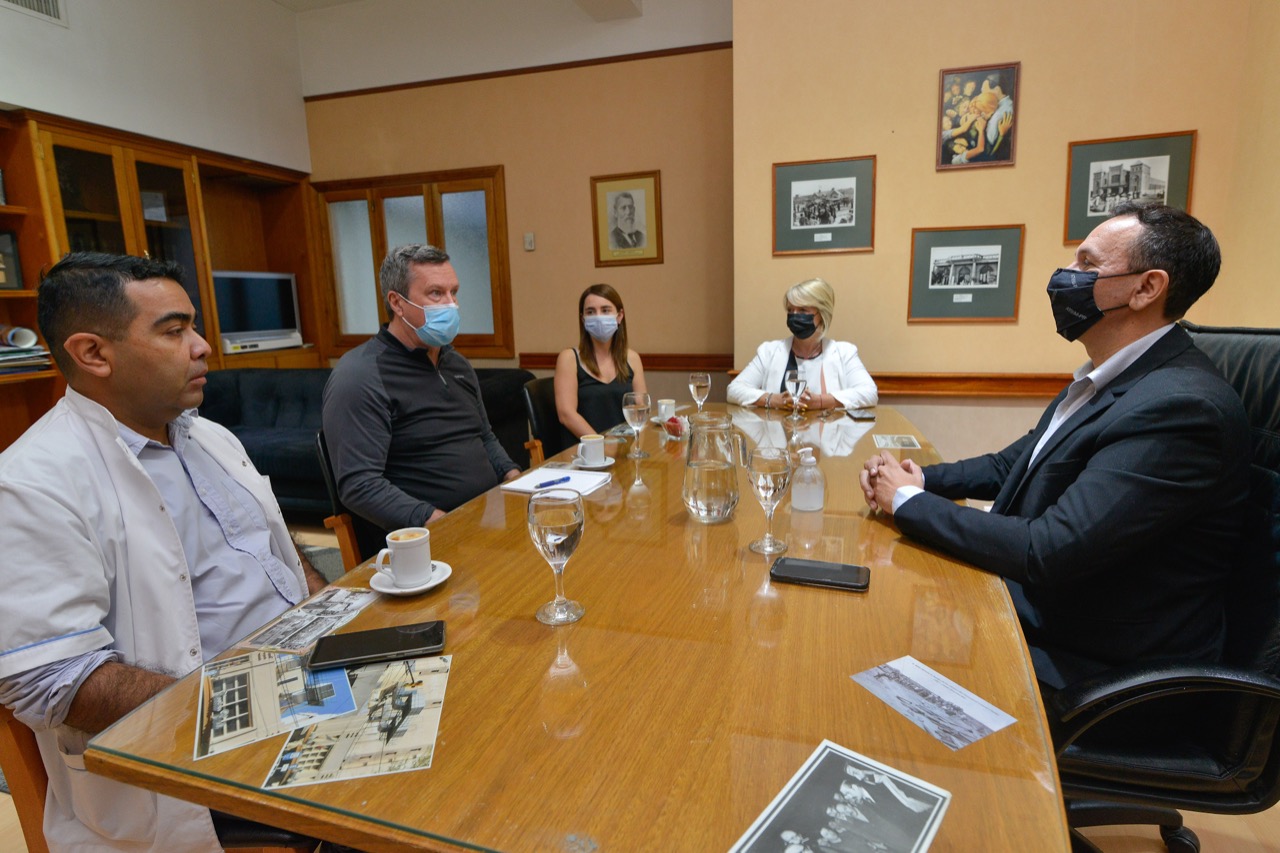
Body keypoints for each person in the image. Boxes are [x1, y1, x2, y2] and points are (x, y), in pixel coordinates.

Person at [0, 252, 328, 851]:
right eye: (174, 331)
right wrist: (262, 698)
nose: (203, 347)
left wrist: (333, 609)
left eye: (194, 327)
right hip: (207, 755)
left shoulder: (205, 434)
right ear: (93, 354)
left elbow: (268, 547)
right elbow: (51, 681)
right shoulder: (31, 484)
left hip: (307, 682)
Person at [860, 203, 1251, 689]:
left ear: (1146, 288)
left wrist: (905, 501)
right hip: (1046, 624)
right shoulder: (1114, 376)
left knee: (872, 663)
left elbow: (1049, 549)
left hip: (1107, 676)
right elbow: (1014, 465)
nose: (1066, 276)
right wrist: (923, 479)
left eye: (1087, 265)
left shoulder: (1182, 408)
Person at [323, 244, 521, 532]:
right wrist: (438, 521)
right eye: (436, 293)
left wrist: (513, 476)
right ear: (397, 303)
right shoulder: (360, 376)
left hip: (487, 522)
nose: (451, 304)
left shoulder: (457, 364)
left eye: (454, 292)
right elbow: (359, 484)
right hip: (429, 538)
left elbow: (484, 436)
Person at [727, 277, 878, 412]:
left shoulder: (844, 353)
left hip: (827, 441)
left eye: (803, 310)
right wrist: (774, 400)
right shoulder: (769, 351)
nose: (794, 316)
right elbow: (734, 390)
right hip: (779, 439)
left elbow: (869, 393)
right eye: (791, 310)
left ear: (822, 314)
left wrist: (819, 402)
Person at [554, 283, 647, 443]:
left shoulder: (632, 358)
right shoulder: (568, 358)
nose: (598, 316)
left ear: (619, 315)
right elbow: (566, 415)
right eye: (591, 312)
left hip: (624, 450)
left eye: (605, 310)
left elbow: (641, 409)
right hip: (584, 453)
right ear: (583, 319)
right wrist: (600, 443)